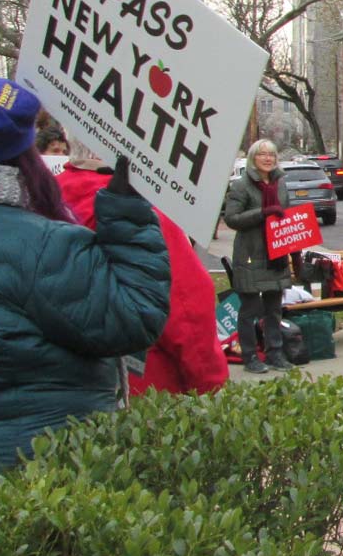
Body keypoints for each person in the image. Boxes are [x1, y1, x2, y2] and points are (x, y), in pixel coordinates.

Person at [0, 78, 169, 494]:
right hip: (29, 486)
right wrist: (127, 212)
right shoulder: (42, 246)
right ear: (23, 155)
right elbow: (132, 316)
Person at [58, 139, 228, 396]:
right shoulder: (143, 210)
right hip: (141, 388)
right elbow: (186, 308)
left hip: (63, 386)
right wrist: (212, 386)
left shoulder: (42, 198)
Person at [224, 139, 298, 375]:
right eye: (262, 155)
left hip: (275, 254)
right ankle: (250, 356)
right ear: (253, 158)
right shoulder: (241, 186)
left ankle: (275, 352)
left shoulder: (281, 184)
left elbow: (288, 215)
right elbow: (232, 219)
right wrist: (262, 213)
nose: (268, 159)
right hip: (250, 254)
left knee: (274, 309)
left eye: (272, 155)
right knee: (250, 309)